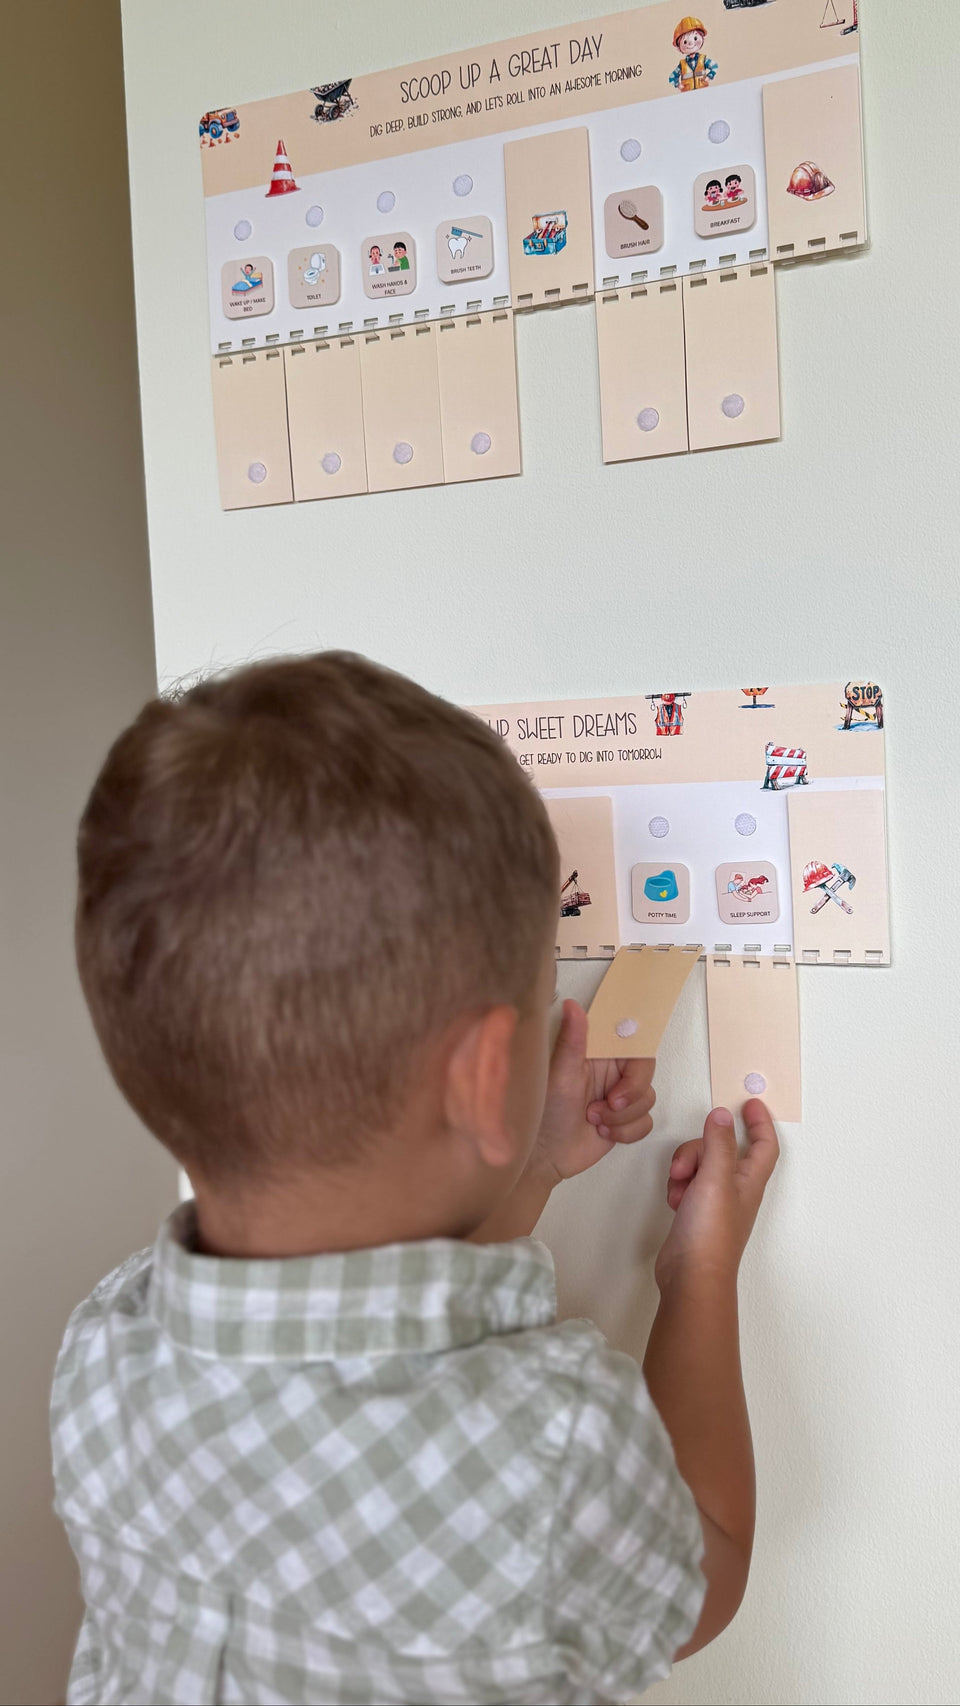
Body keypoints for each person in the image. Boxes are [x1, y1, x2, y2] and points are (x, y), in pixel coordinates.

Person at [52, 652, 779, 1706]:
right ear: (490, 1073)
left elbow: (354, 1351)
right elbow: (708, 1570)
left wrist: (521, 1167)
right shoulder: (554, 1441)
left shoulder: (106, 1345)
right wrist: (700, 1267)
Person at [669, 16, 718, 90]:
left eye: (695, 38)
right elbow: (672, 77)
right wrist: (678, 85)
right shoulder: (682, 65)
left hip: (703, 91)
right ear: (679, 47)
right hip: (688, 95)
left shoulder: (703, 59)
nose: (690, 43)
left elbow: (714, 66)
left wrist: (709, 76)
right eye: (685, 42)